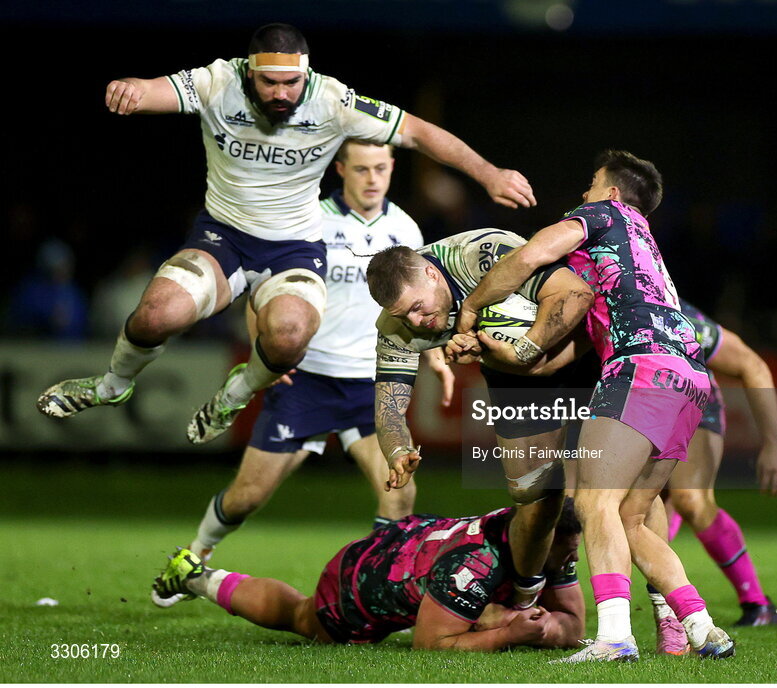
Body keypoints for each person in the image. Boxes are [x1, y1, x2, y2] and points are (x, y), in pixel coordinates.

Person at [36, 23, 535, 445]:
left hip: (293, 247)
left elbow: (422, 132)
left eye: (291, 83)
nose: (281, 93)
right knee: (155, 316)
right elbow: (154, 90)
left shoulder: (333, 100)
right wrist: (133, 89)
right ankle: (112, 385)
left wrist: (489, 173)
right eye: (270, 82)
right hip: (223, 237)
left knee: (289, 338)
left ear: (306, 73)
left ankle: (236, 393)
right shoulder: (219, 80)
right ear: (250, 71)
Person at [453, 150, 736, 662]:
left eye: (590, 184)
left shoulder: (605, 214)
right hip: (690, 379)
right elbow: (546, 362)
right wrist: (501, 352)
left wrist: (471, 308)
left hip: (643, 369)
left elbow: (527, 258)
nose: (581, 195)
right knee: (631, 515)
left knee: (592, 501)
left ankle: (613, 637)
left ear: (610, 193)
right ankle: (701, 625)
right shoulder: (628, 261)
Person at [153, 140, 454, 607]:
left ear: (393, 168)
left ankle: (372, 591)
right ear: (341, 169)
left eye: (380, 168)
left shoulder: (406, 229)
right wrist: (267, 351)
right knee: (246, 497)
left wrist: (434, 355)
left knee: (399, 492)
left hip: (369, 384)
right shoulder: (308, 219)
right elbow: (264, 289)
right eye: (361, 169)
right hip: (308, 379)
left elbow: (424, 304)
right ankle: (192, 557)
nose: (372, 178)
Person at [367, 229, 594, 613]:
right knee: (533, 495)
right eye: (403, 314)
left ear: (432, 274)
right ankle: (524, 599)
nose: (417, 320)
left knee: (621, 490)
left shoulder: (480, 256)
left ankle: (664, 607)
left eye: (418, 306)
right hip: (512, 373)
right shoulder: (396, 327)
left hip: (582, 346)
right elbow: (389, 407)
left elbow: (576, 295)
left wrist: (522, 353)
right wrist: (398, 449)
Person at [152, 500, 585, 650]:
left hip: (420, 542)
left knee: (486, 613)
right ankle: (196, 576)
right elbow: (432, 647)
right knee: (303, 618)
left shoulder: (547, 535)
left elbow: (573, 624)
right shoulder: (473, 566)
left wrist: (543, 627)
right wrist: (508, 634)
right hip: (369, 577)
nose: (570, 561)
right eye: (566, 555)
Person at [661, 300, 777, 627]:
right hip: (636, 407)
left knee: (691, 499)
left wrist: (773, 445)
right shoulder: (591, 312)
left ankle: (757, 603)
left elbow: (752, 364)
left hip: (694, 403)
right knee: (645, 509)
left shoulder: (673, 315)